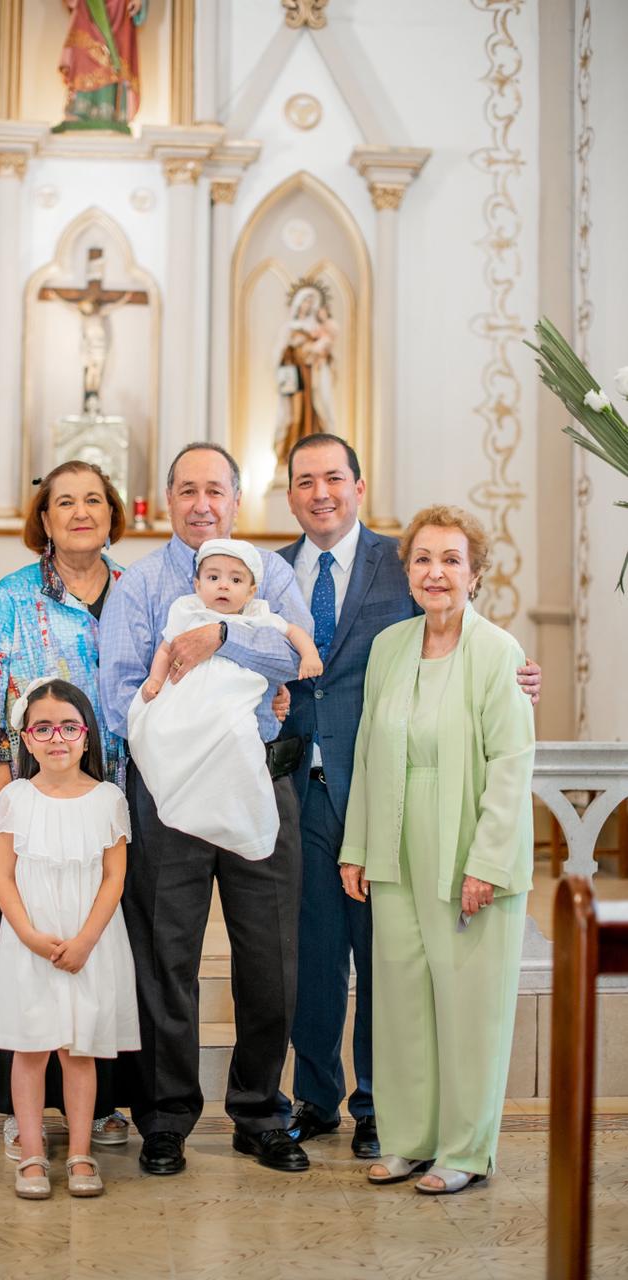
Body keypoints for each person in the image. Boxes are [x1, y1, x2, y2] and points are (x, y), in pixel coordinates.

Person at [278, 434, 542, 1161]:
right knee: (333, 965)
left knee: (418, 982)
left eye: (335, 478)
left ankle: (387, 1114)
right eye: (306, 481)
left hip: (423, 813)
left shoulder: (403, 566)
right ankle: (332, 1103)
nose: (321, 492)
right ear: (291, 492)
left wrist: (521, 684)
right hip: (318, 793)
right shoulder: (271, 572)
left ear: (360, 486)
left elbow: (494, 717)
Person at [100, 443, 315, 1175]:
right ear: (167, 499)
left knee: (271, 957)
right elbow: (122, 689)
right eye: (187, 489)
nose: (202, 503)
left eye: (215, 490)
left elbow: (294, 656)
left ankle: (259, 1111)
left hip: (260, 781)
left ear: (235, 498)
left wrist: (222, 635)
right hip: (169, 794)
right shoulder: (142, 586)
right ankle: (164, 1117)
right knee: (167, 958)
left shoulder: (271, 573)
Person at [340, 505, 535, 1194]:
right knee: (399, 1000)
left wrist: (487, 859)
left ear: (475, 574)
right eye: (423, 559)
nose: (436, 572)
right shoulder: (390, 646)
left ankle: (463, 1150)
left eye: (451, 560)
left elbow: (512, 763)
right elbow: (366, 749)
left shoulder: (499, 653)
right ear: (409, 572)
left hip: (466, 845)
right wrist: (357, 846)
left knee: (469, 1003)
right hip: (393, 841)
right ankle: (407, 1141)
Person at [0, 461, 132, 1152]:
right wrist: (6, 808)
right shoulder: (11, 595)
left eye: (94, 499)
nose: (81, 511)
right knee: (27, 950)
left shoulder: (136, 593)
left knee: (102, 946)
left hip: (110, 799)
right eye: (66, 501)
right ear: (45, 518)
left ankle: (104, 1106)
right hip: (30, 804)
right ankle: (18, 1106)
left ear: (112, 514)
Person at [0, 678, 139, 1200]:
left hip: (88, 941)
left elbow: (114, 877)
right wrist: (29, 934)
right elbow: (2, 876)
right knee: (30, 1049)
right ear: (27, 739)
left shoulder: (108, 798)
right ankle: (31, 1153)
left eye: (69, 727)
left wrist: (86, 940)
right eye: (44, 728)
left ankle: (79, 1152)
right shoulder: (12, 798)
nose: (57, 738)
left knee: (80, 1050)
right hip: (31, 939)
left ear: (87, 736)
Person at [129, 537, 321, 860]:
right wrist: (155, 680)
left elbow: (293, 633)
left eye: (235, 580)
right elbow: (166, 647)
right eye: (213, 578)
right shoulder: (186, 611)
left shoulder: (258, 615)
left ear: (251, 591)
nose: (223, 586)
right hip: (189, 702)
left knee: (241, 740)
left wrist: (309, 654)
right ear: (197, 584)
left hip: (235, 704)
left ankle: (250, 825)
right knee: (158, 730)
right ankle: (183, 800)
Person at [55, 0, 147, 135]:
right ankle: (81, 108)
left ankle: (108, 109)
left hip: (119, 7)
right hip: (88, 5)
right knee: (83, 53)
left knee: (114, 58)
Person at [274, 284, 337, 471]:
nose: (308, 306)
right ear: (298, 303)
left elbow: (327, 357)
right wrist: (294, 354)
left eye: (311, 302)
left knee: (317, 413)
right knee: (294, 416)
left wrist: (317, 353)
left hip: (313, 379)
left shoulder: (317, 329)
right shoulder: (289, 328)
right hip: (296, 381)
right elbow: (279, 355)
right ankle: (289, 457)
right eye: (305, 301)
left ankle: (317, 458)